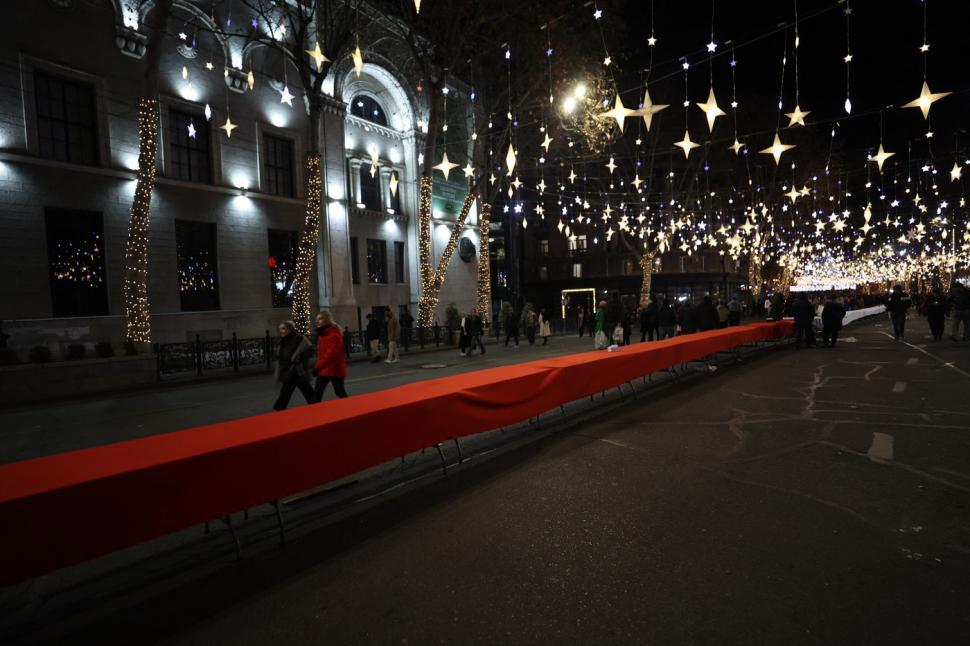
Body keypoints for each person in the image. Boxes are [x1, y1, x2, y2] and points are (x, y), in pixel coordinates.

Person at [272, 320, 315, 411]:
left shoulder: (299, 338)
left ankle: (280, 407)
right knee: (291, 390)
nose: (281, 331)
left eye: (283, 328)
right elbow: (281, 355)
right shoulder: (283, 341)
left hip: (297, 370)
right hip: (288, 370)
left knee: (300, 390)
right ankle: (280, 407)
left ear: (290, 329)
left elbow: (310, 350)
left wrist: (300, 357)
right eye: (280, 329)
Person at [312, 311, 349, 400]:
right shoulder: (323, 334)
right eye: (316, 319)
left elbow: (330, 355)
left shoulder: (333, 335)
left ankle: (351, 408)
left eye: (320, 319)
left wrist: (317, 367)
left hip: (334, 369)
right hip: (325, 369)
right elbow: (322, 354)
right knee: (317, 394)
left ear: (326, 321)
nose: (317, 321)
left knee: (339, 392)